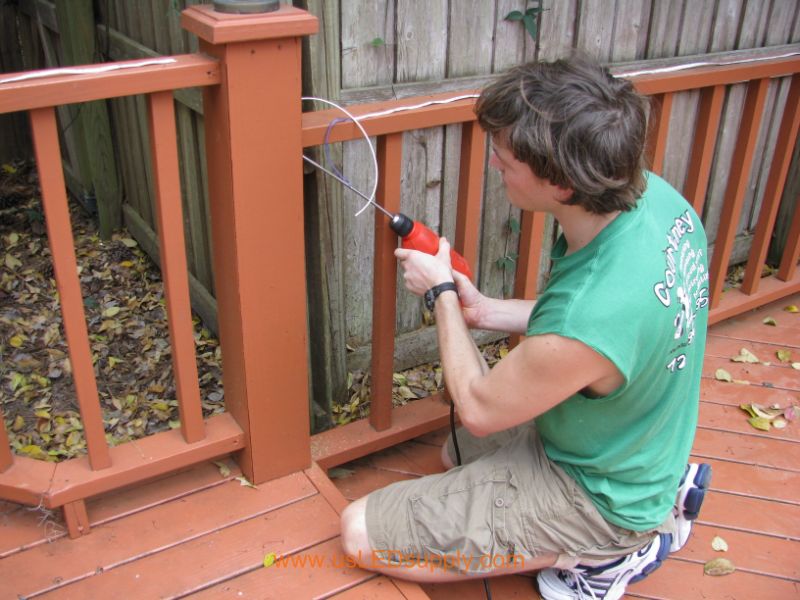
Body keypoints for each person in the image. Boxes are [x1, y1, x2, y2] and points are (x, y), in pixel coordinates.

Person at [340, 57, 712, 600]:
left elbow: (481, 409)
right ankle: (652, 496)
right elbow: (606, 332)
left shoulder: (592, 314)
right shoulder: (655, 200)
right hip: (630, 440)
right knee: (455, 453)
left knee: (361, 532)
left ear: (561, 185)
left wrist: (441, 292)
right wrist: (487, 311)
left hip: (600, 495)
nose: (495, 164)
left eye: (505, 158)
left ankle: (614, 550)